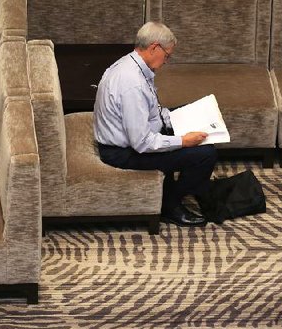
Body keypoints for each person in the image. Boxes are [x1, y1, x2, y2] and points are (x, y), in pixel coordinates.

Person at [93, 21, 217, 227]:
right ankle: (169, 204)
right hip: (122, 153)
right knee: (206, 154)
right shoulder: (131, 83)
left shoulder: (131, 64)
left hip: (134, 137)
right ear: (154, 48)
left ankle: (193, 188)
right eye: (167, 55)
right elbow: (142, 143)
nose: (167, 61)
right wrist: (184, 141)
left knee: (188, 112)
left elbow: (152, 111)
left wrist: (179, 116)